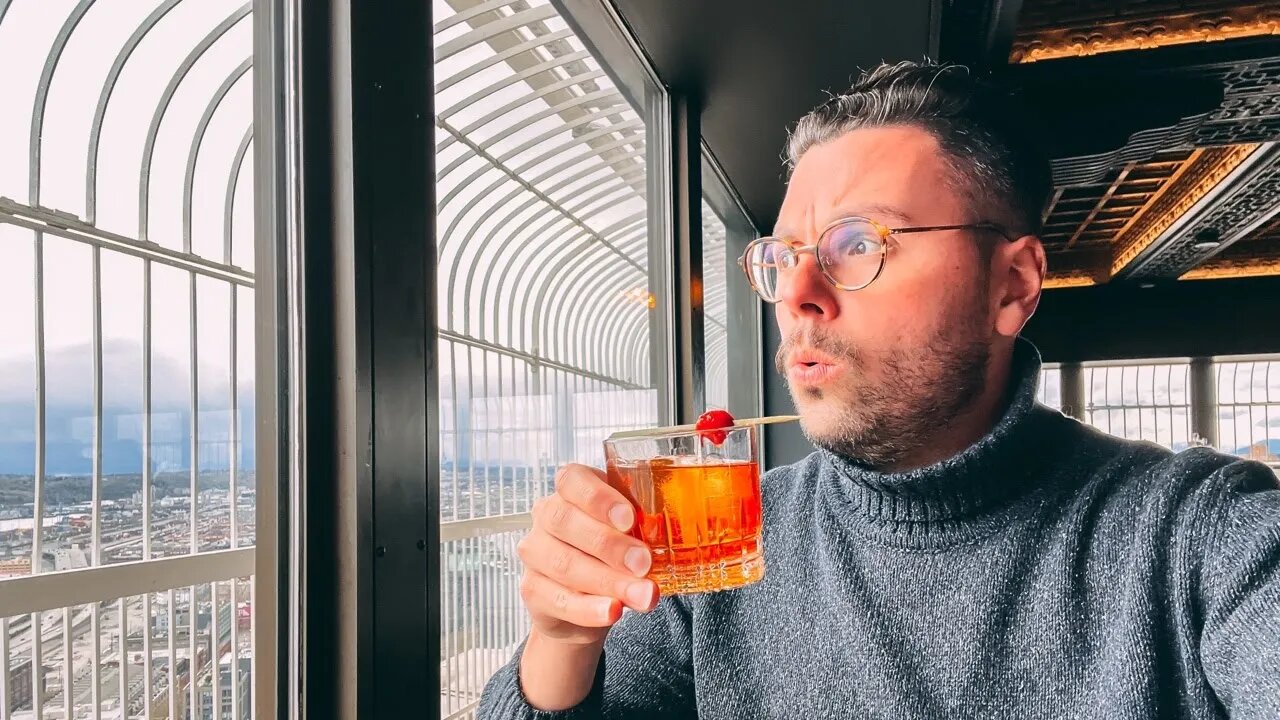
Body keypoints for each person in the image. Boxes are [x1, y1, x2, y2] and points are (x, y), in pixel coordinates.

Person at [478, 59, 1280, 719]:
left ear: (1012, 285)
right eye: (780, 256)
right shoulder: (721, 555)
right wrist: (561, 640)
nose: (796, 295)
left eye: (858, 243)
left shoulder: (1201, 536)